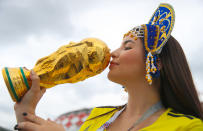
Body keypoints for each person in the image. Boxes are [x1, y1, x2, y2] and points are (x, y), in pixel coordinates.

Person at [13, 3, 203, 131]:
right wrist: (26, 110)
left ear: (157, 62)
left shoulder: (188, 126)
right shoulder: (98, 116)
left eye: (127, 47)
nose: (113, 52)